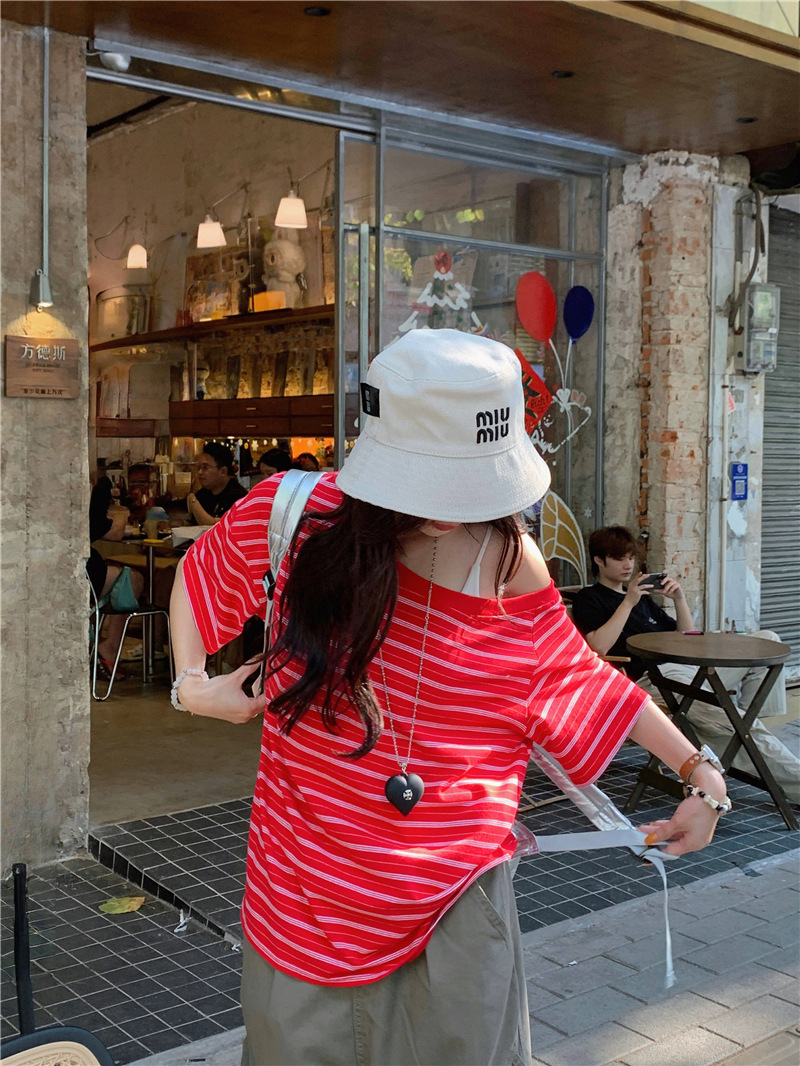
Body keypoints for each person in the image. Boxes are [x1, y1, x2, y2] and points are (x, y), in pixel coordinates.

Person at [170, 331, 726, 1066]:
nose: (451, 507)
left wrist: (700, 775)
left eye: (471, 481)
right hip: (300, 906)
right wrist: (192, 686)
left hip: (458, 911)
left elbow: (576, 677)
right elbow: (200, 575)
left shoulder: (509, 559)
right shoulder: (297, 516)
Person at [572, 525, 799, 804]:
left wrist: (679, 599)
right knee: (732, 723)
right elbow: (598, 647)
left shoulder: (645, 601)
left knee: (768, 639)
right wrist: (628, 602)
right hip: (655, 679)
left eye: (631, 558)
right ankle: (749, 735)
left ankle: (746, 723)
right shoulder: (590, 598)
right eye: (619, 559)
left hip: (688, 668)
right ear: (599, 560)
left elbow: (687, 639)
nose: (628, 565)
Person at [87, 475, 144, 678]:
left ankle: (94, 644)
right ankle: (109, 646)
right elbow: (115, 532)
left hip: (77, 569)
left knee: (121, 571)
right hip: (86, 573)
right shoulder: (95, 493)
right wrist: (122, 513)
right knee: (135, 579)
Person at [186, 442, 247, 524]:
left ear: (223, 471)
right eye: (199, 468)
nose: (200, 472)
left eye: (205, 467)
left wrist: (192, 499)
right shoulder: (204, 494)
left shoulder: (239, 498)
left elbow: (214, 526)